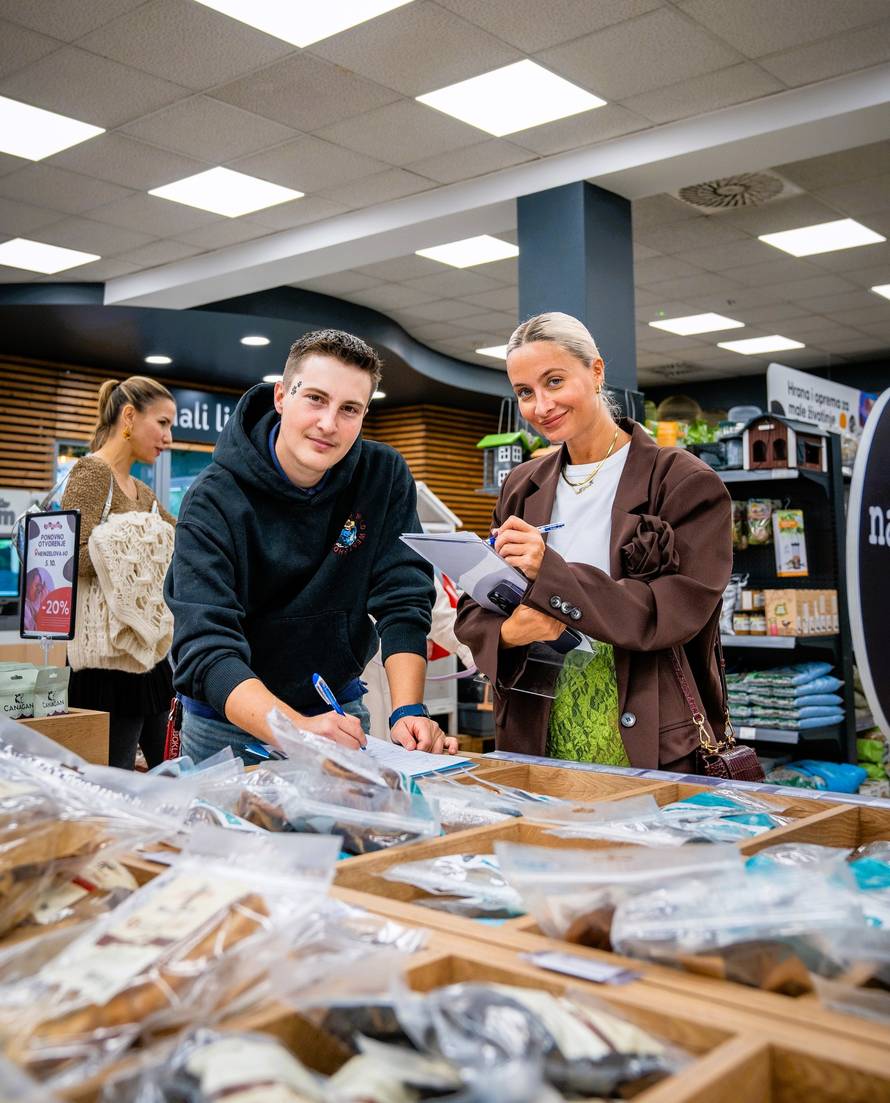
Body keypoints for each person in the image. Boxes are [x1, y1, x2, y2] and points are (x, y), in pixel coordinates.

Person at [455, 312, 733, 772]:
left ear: (597, 371)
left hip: (650, 737)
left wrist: (550, 572)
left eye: (555, 381)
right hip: (534, 735)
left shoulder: (682, 481)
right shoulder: (522, 486)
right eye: (525, 392)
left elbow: (674, 612)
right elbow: (475, 607)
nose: (541, 405)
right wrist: (507, 632)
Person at [165, 328, 455, 762]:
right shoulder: (213, 499)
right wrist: (294, 729)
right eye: (315, 398)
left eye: (350, 409)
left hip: (338, 710)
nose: (328, 424)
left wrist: (407, 709)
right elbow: (205, 646)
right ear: (282, 396)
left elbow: (404, 596)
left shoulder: (383, 475)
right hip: (227, 724)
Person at [62, 376, 177, 769]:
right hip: (106, 664)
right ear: (129, 416)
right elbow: (70, 558)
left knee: (169, 771)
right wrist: (136, 545)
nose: (169, 437)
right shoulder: (91, 474)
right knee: (117, 782)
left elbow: (183, 541)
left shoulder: (143, 493)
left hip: (147, 656)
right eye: (162, 423)